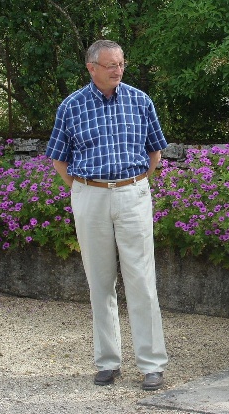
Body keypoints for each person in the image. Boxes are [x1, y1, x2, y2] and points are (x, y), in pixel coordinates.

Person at [46, 40, 168, 391]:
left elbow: (155, 151)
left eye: (121, 63)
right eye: (110, 64)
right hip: (90, 195)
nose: (118, 69)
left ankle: (151, 364)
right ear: (91, 68)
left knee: (142, 280)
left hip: (132, 193)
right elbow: (58, 157)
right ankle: (108, 362)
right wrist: (84, 189)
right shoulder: (72, 106)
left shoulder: (140, 100)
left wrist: (135, 185)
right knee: (99, 281)